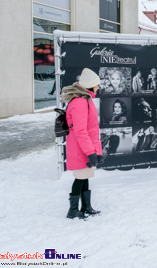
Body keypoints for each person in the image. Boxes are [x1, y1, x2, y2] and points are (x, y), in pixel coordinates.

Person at [60, 68, 104, 219]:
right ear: (90, 85)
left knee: (84, 175)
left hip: (85, 147)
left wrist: (97, 151)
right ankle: (73, 210)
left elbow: (92, 130)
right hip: (81, 148)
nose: (98, 87)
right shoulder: (80, 102)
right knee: (80, 177)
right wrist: (90, 152)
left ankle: (85, 206)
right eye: (97, 84)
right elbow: (80, 131)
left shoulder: (86, 99)